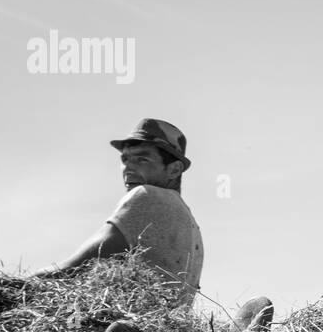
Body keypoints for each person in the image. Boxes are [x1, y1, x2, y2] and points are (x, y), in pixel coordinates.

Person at [31, 118, 205, 307]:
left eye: (142, 159)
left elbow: (74, 267)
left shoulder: (148, 196)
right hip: (164, 330)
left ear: (174, 169)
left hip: (129, 324)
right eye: (125, 159)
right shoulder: (192, 226)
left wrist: (20, 285)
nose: (128, 167)